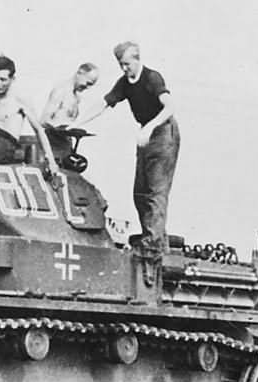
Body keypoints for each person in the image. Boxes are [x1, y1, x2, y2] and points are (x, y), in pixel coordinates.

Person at [73, 41, 179, 273]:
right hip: (146, 134)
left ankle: (153, 247)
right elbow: (104, 103)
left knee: (156, 191)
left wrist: (149, 128)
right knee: (140, 192)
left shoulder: (152, 78)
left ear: (137, 60)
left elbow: (169, 107)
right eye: (121, 65)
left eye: (127, 64)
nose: (124, 69)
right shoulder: (125, 83)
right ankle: (157, 241)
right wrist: (77, 123)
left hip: (162, 133)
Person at [0, 56, 62, 183]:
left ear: (12, 79)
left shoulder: (20, 97)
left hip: (4, 145)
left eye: (3, 80)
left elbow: (39, 130)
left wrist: (51, 161)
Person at [41, 63, 100, 128]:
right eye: (88, 83)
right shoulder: (61, 91)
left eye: (91, 85)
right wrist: (61, 128)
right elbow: (44, 120)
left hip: (65, 137)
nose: (88, 87)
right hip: (52, 136)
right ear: (80, 73)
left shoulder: (77, 97)